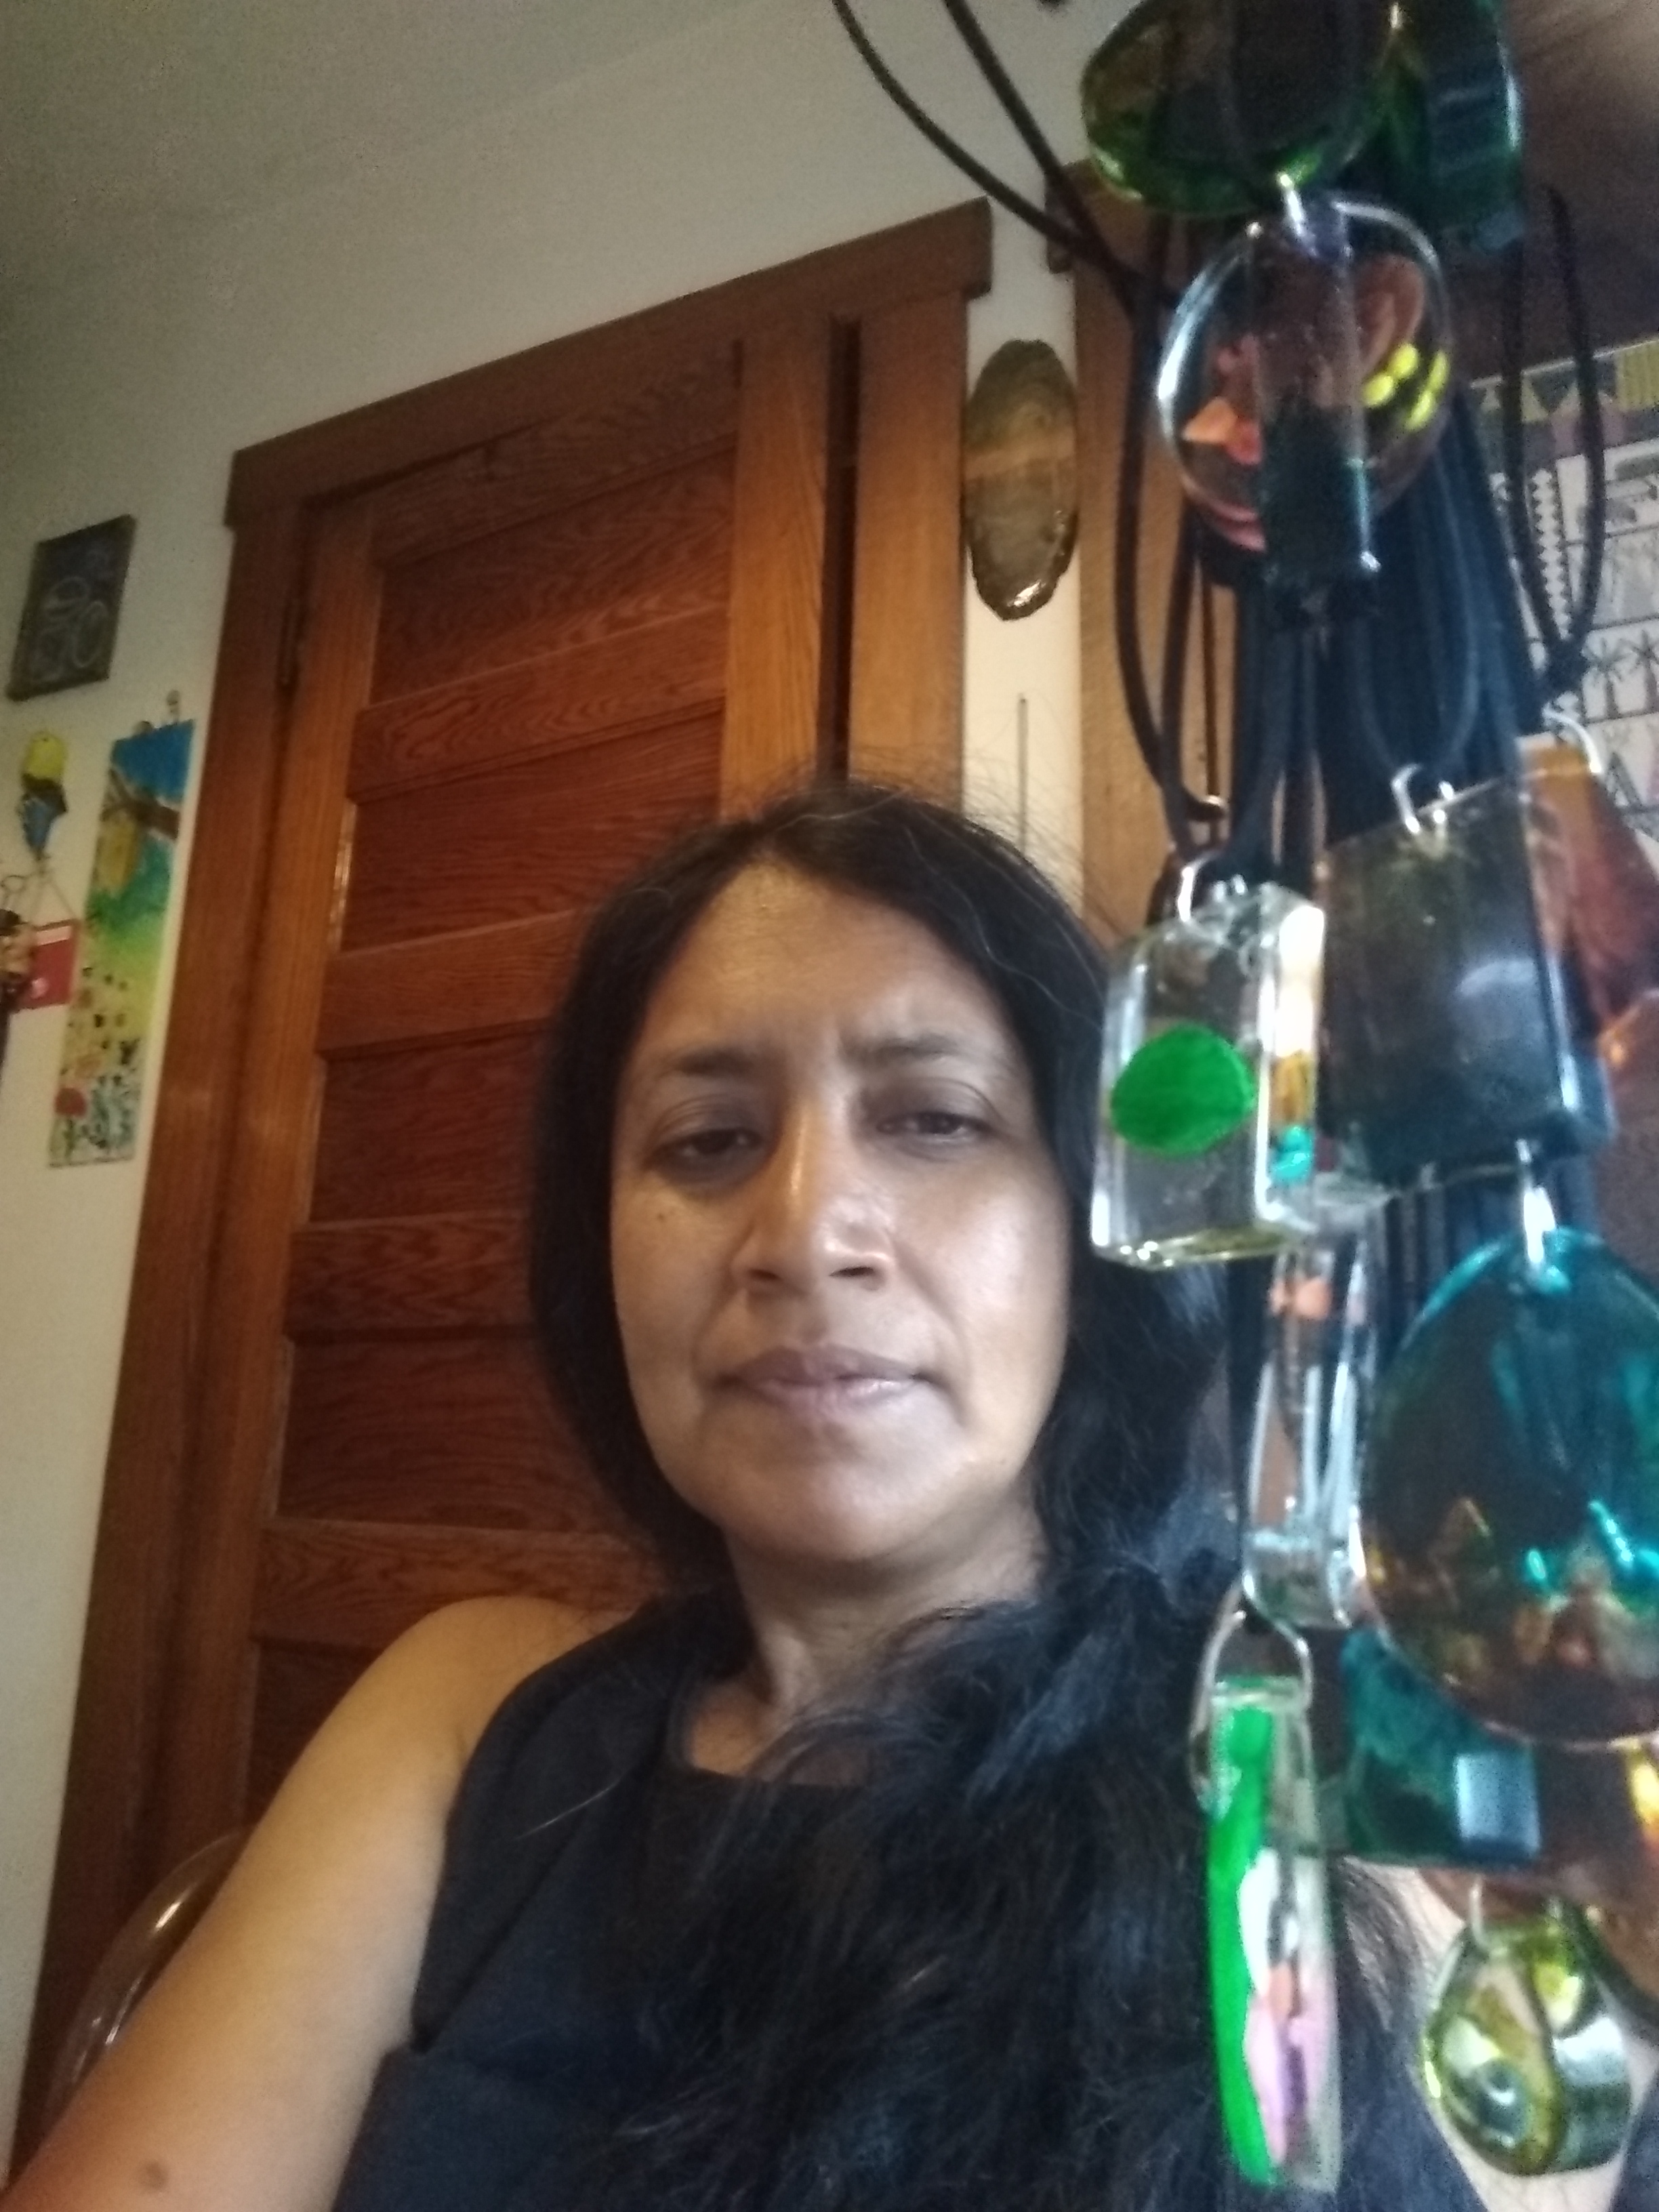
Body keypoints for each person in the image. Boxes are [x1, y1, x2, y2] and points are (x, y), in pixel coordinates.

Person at [8, 781, 1656, 2212]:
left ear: (1090, 1229)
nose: (804, 1231)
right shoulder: (468, 1719)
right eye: (706, 1141)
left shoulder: (1323, 1776)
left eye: (935, 1119)